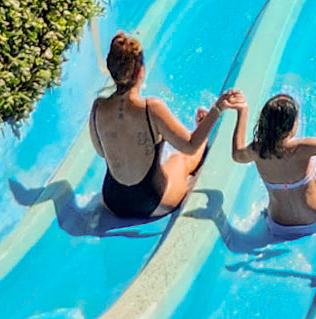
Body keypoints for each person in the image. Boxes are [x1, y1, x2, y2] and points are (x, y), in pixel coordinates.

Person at [89, 32, 238, 220]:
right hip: (151, 202)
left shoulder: (98, 107)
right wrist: (217, 109)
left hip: (112, 200)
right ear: (140, 72)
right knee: (180, 159)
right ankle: (202, 129)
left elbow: (101, 151)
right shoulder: (151, 108)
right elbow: (190, 146)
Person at [229, 91, 316, 239]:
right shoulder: (302, 148)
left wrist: (242, 111)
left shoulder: (257, 150)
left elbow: (237, 154)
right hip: (314, 221)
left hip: (278, 225)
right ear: (293, 125)